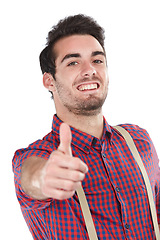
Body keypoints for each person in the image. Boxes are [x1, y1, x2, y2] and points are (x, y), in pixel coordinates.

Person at [12, 14, 160, 239]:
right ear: (49, 81)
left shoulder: (139, 141)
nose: (89, 70)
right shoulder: (36, 155)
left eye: (97, 60)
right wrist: (44, 177)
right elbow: (31, 178)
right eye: (73, 62)